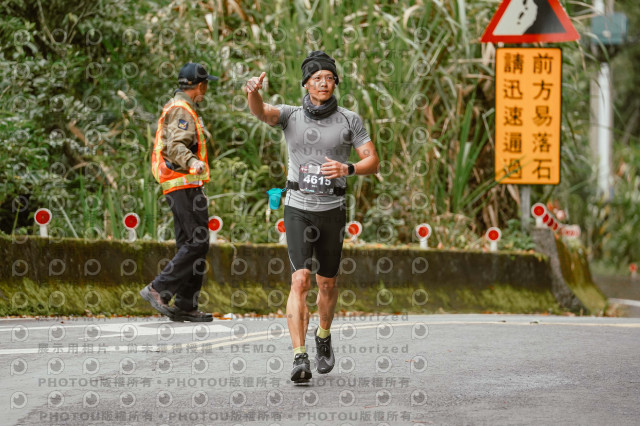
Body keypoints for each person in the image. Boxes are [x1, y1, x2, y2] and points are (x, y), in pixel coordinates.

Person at [244, 51, 380, 382]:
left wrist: (348, 168)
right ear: (306, 83)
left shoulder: (350, 120)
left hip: (332, 210)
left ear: (336, 83)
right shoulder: (290, 116)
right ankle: (299, 356)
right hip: (298, 207)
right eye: (317, 78)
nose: (323, 83)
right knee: (300, 279)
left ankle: (323, 335)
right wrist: (253, 93)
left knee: (327, 283)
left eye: (329, 78)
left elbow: (372, 161)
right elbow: (261, 112)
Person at [140, 62, 217, 322]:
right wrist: (193, 162)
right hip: (183, 183)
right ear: (200, 86)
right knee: (198, 241)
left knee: (190, 244)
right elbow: (175, 146)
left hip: (180, 184)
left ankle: (186, 304)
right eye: (206, 86)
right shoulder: (182, 109)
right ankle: (158, 289)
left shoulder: (180, 107)